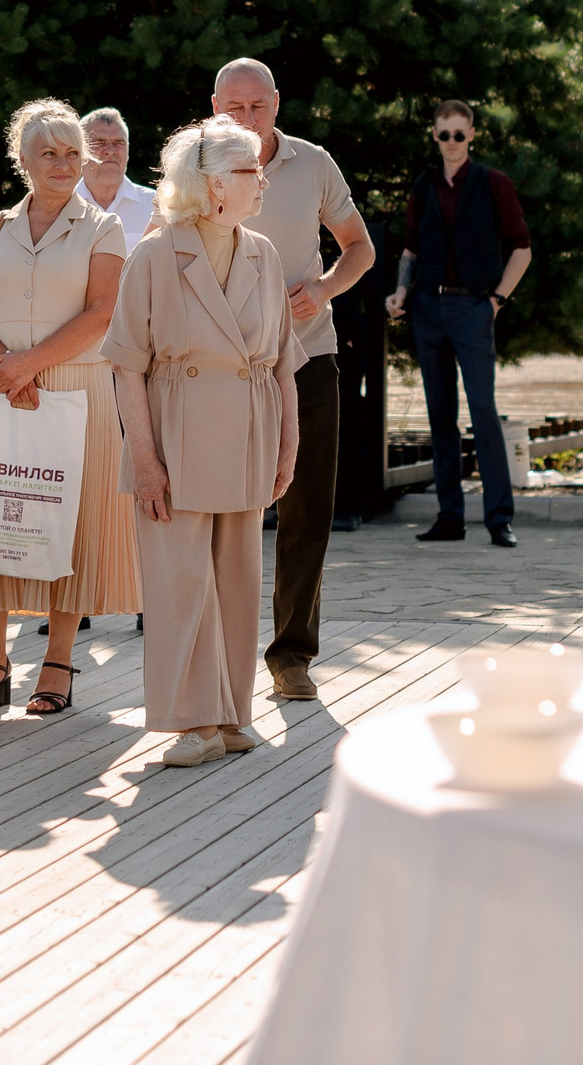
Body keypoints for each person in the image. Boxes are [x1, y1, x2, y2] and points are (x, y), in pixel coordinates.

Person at [109, 117, 304, 767]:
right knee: (180, 584)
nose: (263, 181)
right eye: (252, 171)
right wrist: (144, 460)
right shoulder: (154, 255)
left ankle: (229, 716)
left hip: (249, 434)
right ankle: (193, 721)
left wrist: (288, 448)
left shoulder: (263, 254)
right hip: (174, 436)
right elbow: (126, 366)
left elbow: (283, 365)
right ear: (216, 185)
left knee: (237, 582)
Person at [0, 98, 139, 715]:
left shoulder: (104, 227)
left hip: (77, 390)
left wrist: (26, 366)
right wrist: (4, 364)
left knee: (69, 525)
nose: (62, 163)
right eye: (48, 153)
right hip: (0, 387)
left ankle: (57, 662)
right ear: (22, 160)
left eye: (72, 153)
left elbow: (103, 312)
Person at [211, 57, 374, 703]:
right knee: (221, 511)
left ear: (277, 103)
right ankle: (217, 656)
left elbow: (359, 246)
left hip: (308, 357)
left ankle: (292, 656)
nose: (247, 118)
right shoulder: (196, 162)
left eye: (258, 106)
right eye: (235, 107)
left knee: (307, 512)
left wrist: (326, 287)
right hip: (219, 368)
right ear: (215, 107)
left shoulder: (314, 163)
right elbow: (165, 248)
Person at [384, 100, 533, 547]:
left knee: (483, 412)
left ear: (472, 135)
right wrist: (401, 291)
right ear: (434, 136)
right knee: (440, 415)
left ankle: (499, 520)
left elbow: (522, 248)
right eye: (444, 134)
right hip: (428, 310)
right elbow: (411, 249)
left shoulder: (493, 184)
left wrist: (496, 301)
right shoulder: (424, 185)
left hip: (473, 309)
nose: (452, 142)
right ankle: (450, 517)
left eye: (459, 134)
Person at [75, 107, 159, 252]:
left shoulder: (156, 207)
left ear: (127, 151)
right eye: (99, 142)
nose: (110, 150)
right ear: (79, 151)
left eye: (118, 143)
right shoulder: (61, 208)